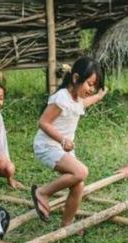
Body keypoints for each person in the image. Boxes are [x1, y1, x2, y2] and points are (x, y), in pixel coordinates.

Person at [31, 56, 107, 227]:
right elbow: (43, 122)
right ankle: (42, 193)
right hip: (48, 146)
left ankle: (67, 224)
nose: (92, 89)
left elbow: (84, 103)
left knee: (79, 185)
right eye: (90, 84)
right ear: (75, 78)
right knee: (81, 172)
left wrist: (100, 96)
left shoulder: (77, 98)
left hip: (63, 148)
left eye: (94, 86)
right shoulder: (61, 98)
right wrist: (63, 139)